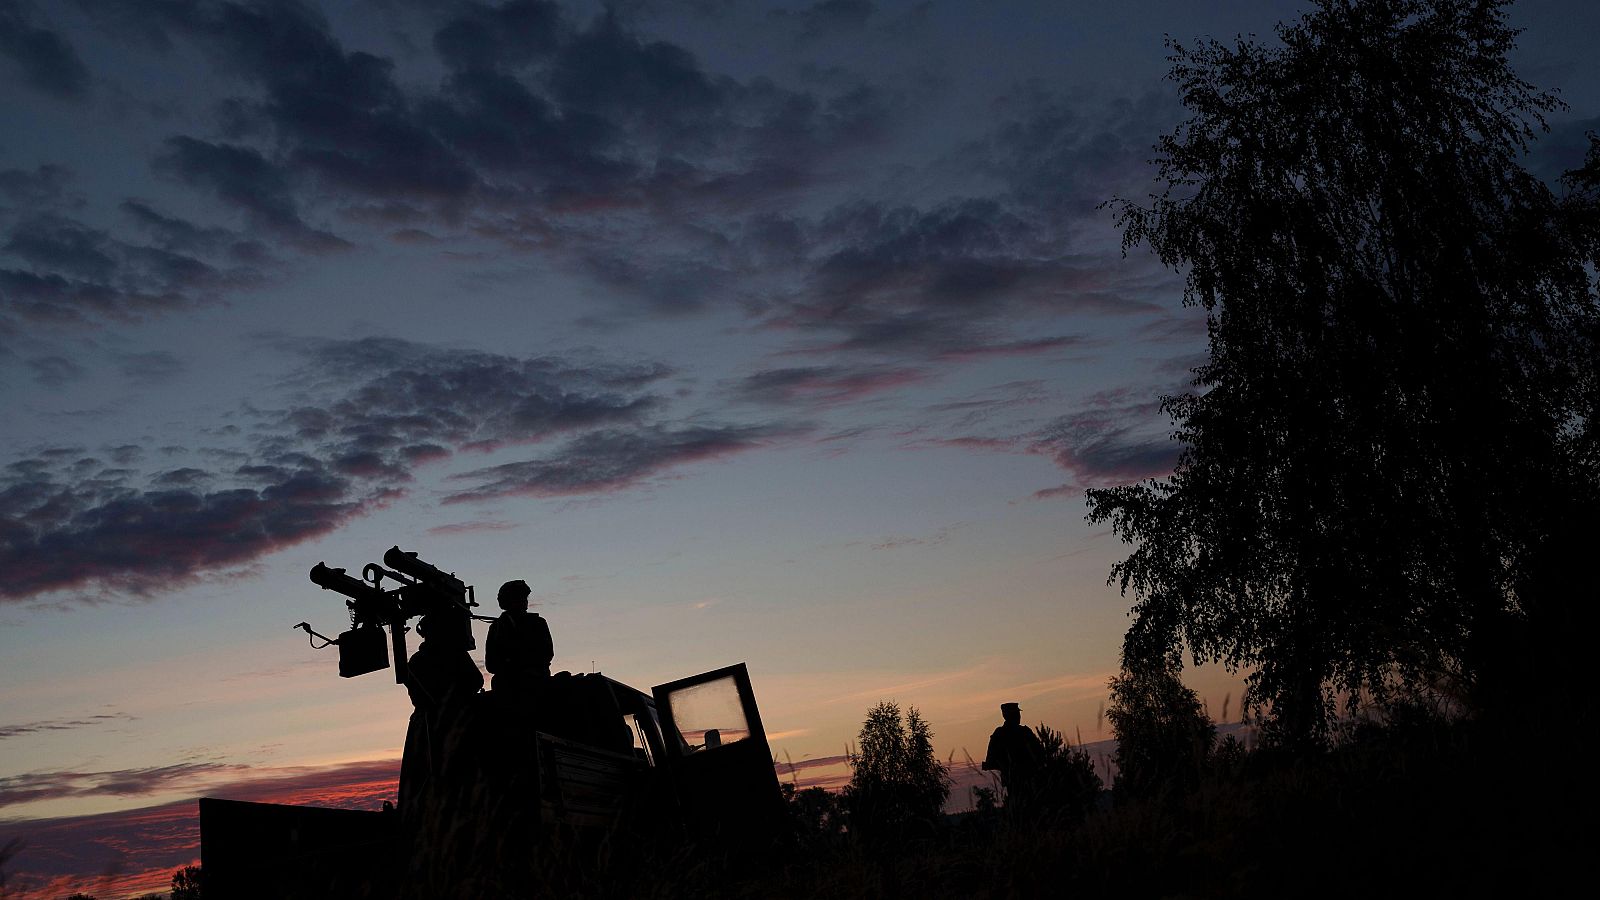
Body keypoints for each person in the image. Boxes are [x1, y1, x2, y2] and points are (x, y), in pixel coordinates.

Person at [399, 610, 483, 816]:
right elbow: (476, 681)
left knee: (424, 777)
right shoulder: (454, 654)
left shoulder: (417, 661)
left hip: (427, 723)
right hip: (449, 722)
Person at [485, 579, 554, 696]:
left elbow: (547, 653)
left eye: (524, 598)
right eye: (518, 598)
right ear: (507, 601)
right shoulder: (496, 628)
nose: (524, 602)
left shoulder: (538, 623)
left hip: (536, 681)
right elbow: (491, 664)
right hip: (507, 684)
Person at [982, 702, 1044, 809]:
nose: (1019, 717)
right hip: (1023, 780)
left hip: (1023, 779)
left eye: (1018, 714)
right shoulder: (1022, 732)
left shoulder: (1001, 733)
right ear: (1009, 716)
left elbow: (990, 761)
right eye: (1016, 714)